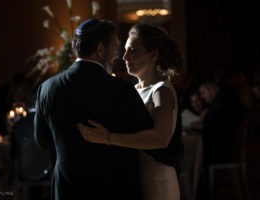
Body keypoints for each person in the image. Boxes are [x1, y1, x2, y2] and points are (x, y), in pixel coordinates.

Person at [34, 19, 153, 200]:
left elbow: (42, 140)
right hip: (114, 187)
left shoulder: (47, 88)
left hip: (68, 188)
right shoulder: (121, 89)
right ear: (100, 49)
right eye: (114, 48)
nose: (116, 55)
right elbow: (146, 135)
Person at [78, 24, 184, 200]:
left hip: (157, 179)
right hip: (136, 177)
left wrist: (108, 137)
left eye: (133, 51)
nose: (124, 57)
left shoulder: (161, 91)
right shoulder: (133, 89)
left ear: (154, 54)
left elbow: (161, 138)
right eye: (124, 50)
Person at [199, 81, 242, 165]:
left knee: (192, 151)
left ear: (211, 90)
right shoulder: (223, 99)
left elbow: (209, 128)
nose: (202, 97)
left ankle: (194, 178)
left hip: (224, 151)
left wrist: (199, 127)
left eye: (203, 93)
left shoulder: (219, 103)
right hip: (230, 147)